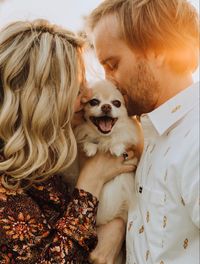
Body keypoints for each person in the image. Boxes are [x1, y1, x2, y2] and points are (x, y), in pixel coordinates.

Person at [0, 19, 136, 263]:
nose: (86, 100)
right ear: (41, 99)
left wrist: (116, 228)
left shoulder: (49, 155)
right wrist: (90, 182)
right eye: (76, 90)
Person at [87, 0, 199, 263]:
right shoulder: (148, 134)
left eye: (112, 64)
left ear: (158, 50)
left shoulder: (195, 139)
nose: (107, 79)